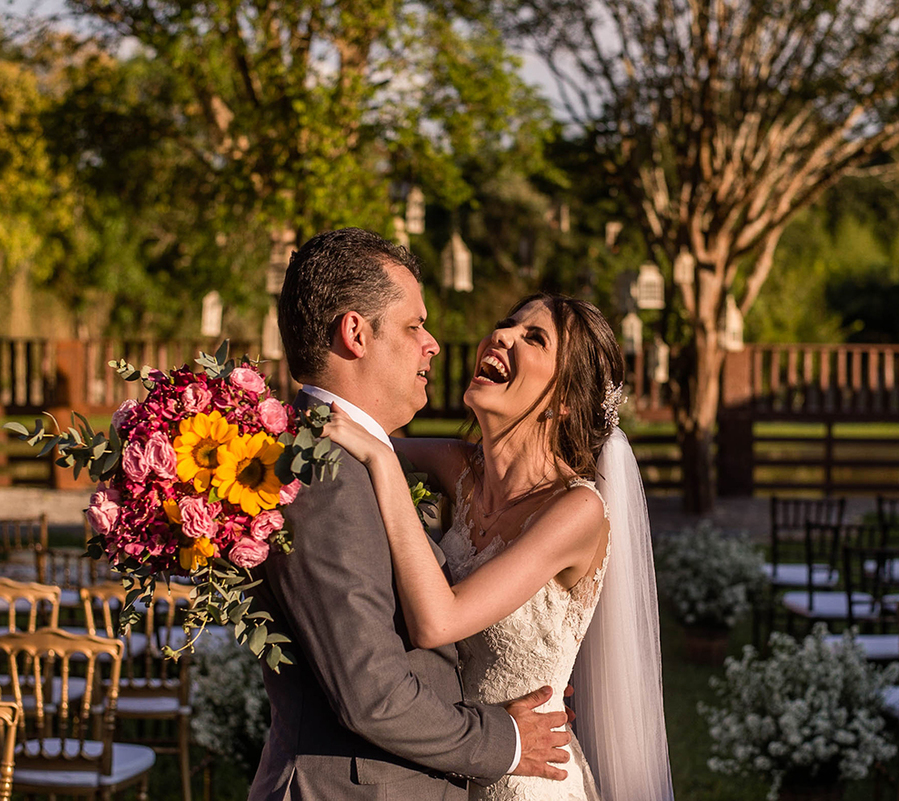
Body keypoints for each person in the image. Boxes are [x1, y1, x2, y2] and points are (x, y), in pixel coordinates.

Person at [248, 228, 572, 801]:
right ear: (355, 333)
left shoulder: (350, 458)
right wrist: (509, 742)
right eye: (412, 325)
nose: (434, 344)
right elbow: (372, 692)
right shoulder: (326, 475)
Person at [323, 292, 675, 801]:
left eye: (534, 338)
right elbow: (342, 432)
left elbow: (437, 622)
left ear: (563, 400)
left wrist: (383, 465)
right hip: (451, 766)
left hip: (531, 780)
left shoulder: (576, 511)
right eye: (508, 324)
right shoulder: (458, 468)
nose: (502, 336)